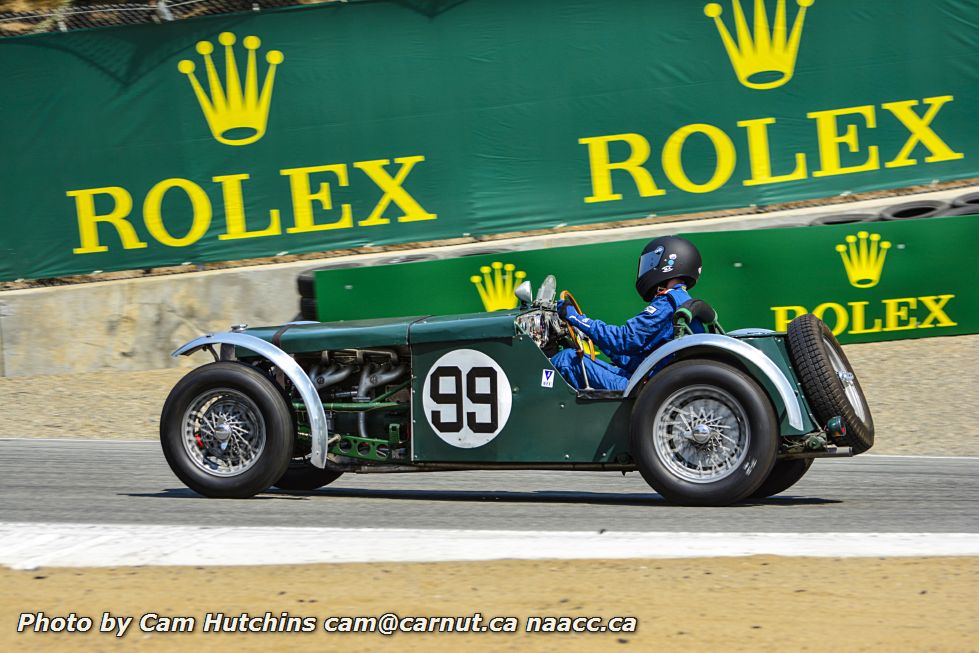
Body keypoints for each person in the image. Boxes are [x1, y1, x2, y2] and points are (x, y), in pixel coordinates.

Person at [550, 235, 706, 391]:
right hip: (649, 380)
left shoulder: (668, 302)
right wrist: (590, 335)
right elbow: (635, 359)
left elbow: (623, 340)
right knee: (577, 357)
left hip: (644, 388)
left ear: (668, 263)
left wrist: (576, 318)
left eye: (652, 261)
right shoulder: (681, 301)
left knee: (566, 360)